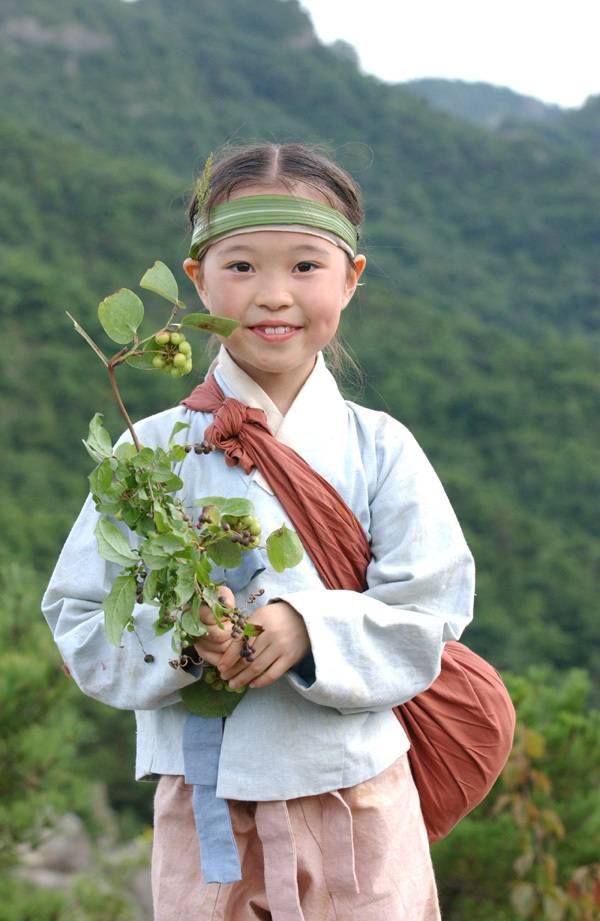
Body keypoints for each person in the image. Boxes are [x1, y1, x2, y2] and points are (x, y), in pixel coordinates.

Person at [42, 142, 475, 921]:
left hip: (360, 801)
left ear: (352, 277)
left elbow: (430, 613)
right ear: (196, 279)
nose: (273, 295)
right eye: (240, 267)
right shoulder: (152, 452)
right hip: (207, 810)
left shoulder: (380, 448)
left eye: (306, 266)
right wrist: (183, 636)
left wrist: (307, 627)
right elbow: (78, 614)